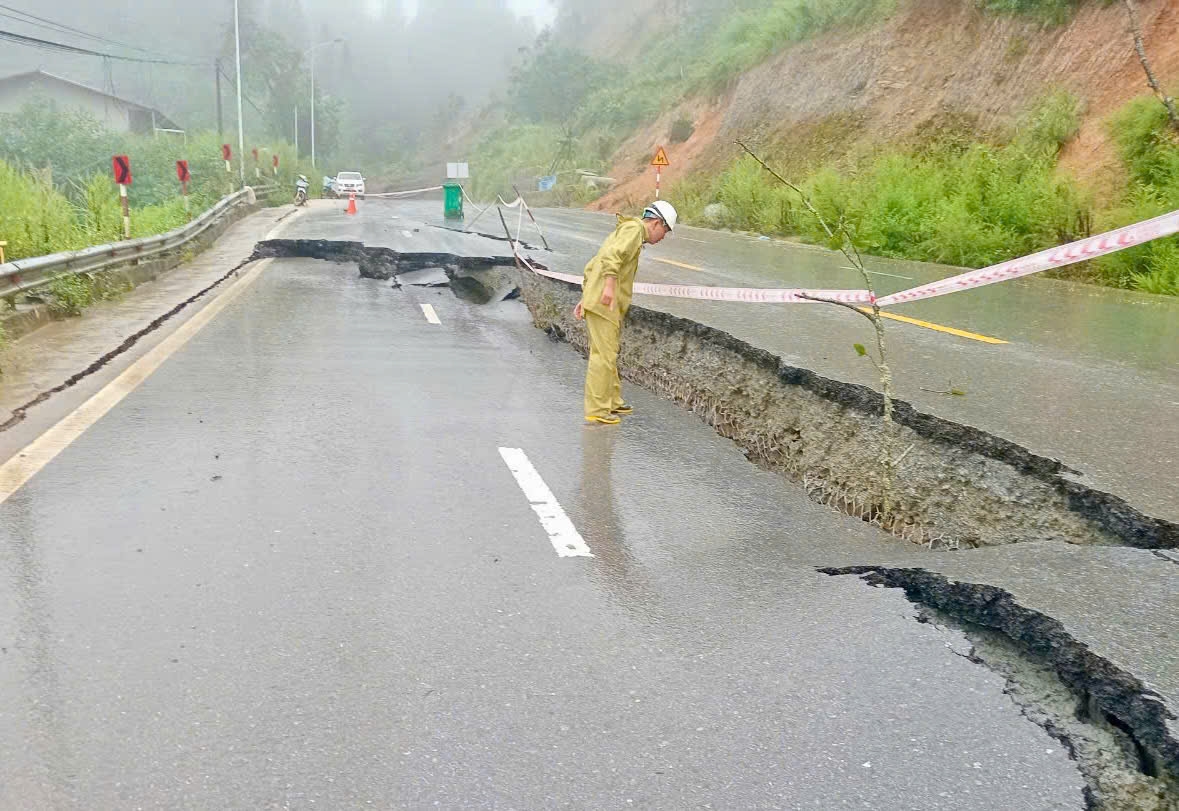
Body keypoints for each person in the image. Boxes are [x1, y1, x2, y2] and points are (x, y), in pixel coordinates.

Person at [574, 200, 678, 425]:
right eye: (665, 231)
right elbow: (612, 257)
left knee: (609, 351)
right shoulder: (634, 230)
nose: (662, 238)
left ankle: (611, 401)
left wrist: (585, 296)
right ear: (657, 223)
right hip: (604, 303)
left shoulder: (630, 232)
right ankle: (598, 410)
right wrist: (609, 287)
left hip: (599, 300)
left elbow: (594, 264)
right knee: (603, 356)